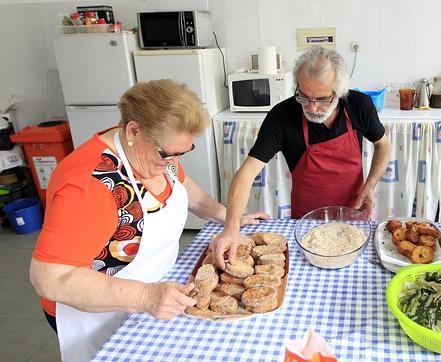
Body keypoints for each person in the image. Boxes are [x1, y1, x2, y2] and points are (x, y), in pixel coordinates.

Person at [29, 80, 269, 361]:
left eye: (184, 152)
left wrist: (229, 217)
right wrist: (144, 297)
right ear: (134, 130)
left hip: (157, 292)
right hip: (99, 314)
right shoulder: (89, 184)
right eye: (170, 154)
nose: (174, 162)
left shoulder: (153, 152)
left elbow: (188, 192)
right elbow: (50, 278)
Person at [211, 45, 391, 268]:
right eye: (304, 96)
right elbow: (246, 174)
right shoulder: (282, 117)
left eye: (323, 99)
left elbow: (383, 146)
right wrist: (231, 227)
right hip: (308, 222)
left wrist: (369, 186)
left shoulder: (359, 106)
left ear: (339, 91)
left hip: (353, 214)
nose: (312, 107)